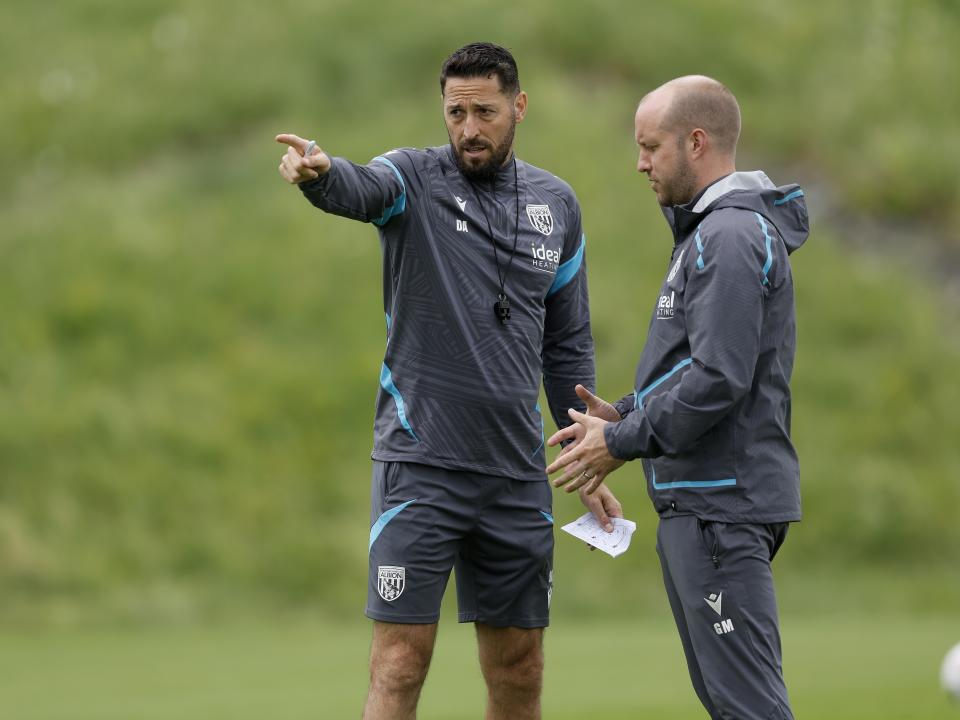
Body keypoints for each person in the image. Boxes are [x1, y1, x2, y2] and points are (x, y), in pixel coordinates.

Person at [276, 42, 621, 720]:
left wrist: (588, 456)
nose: (468, 128)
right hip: (421, 466)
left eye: (485, 111)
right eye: (455, 111)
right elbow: (361, 187)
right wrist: (321, 175)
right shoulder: (412, 178)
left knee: (519, 671)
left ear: (518, 107)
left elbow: (567, 343)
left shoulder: (557, 205)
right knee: (400, 663)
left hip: (514, 475)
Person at [546, 75, 809, 720]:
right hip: (706, 504)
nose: (640, 162)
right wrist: (627, 413)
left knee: (748, 708)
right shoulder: (710, 233)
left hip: (722, 506)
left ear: (696, 142)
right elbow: (694, 366)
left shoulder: (727, 236)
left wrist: (622, 440)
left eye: (650, 146)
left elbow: (721, 377)